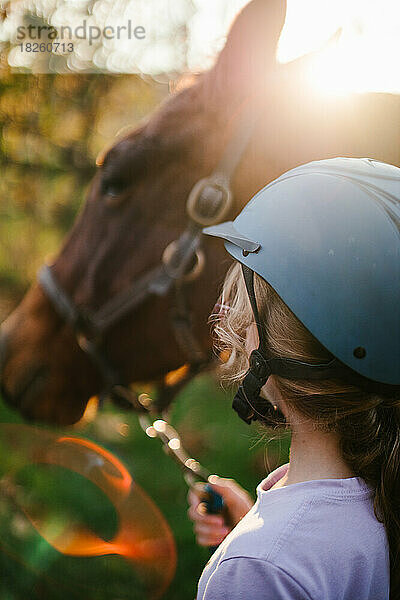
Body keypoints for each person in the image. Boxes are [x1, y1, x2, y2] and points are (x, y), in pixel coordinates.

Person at [187, 157, 400, 600]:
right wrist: (261, 527)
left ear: (267, 343)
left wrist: (263, 555)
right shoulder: (381, 499)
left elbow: (289, 562)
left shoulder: (260, 569)